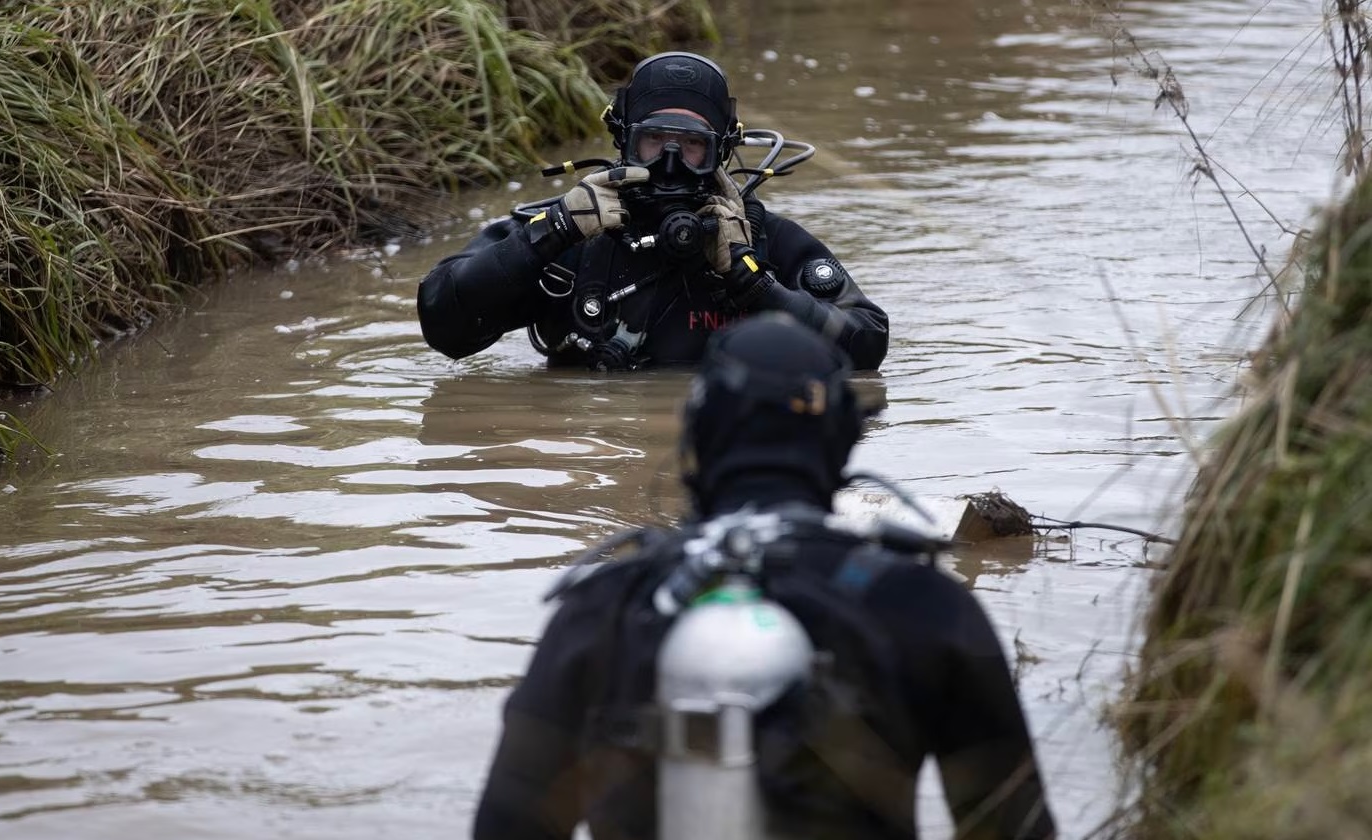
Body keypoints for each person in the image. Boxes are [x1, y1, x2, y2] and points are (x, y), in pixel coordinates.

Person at [472, 313, 1056, 840]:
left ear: (698, 437)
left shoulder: (604, 607)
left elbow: (507, 826)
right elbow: (1013, 826)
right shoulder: (927, 606)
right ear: (842, 441)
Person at [417, 52, 889, 372]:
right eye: (654, 142)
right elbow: (443, 321)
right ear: (624, 141)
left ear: (721, 152)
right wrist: (552, 232)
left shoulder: (760, 242)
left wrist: (754, 282)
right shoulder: (569, 234)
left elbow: (867, 346)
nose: (670, 162)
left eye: (691, 146)